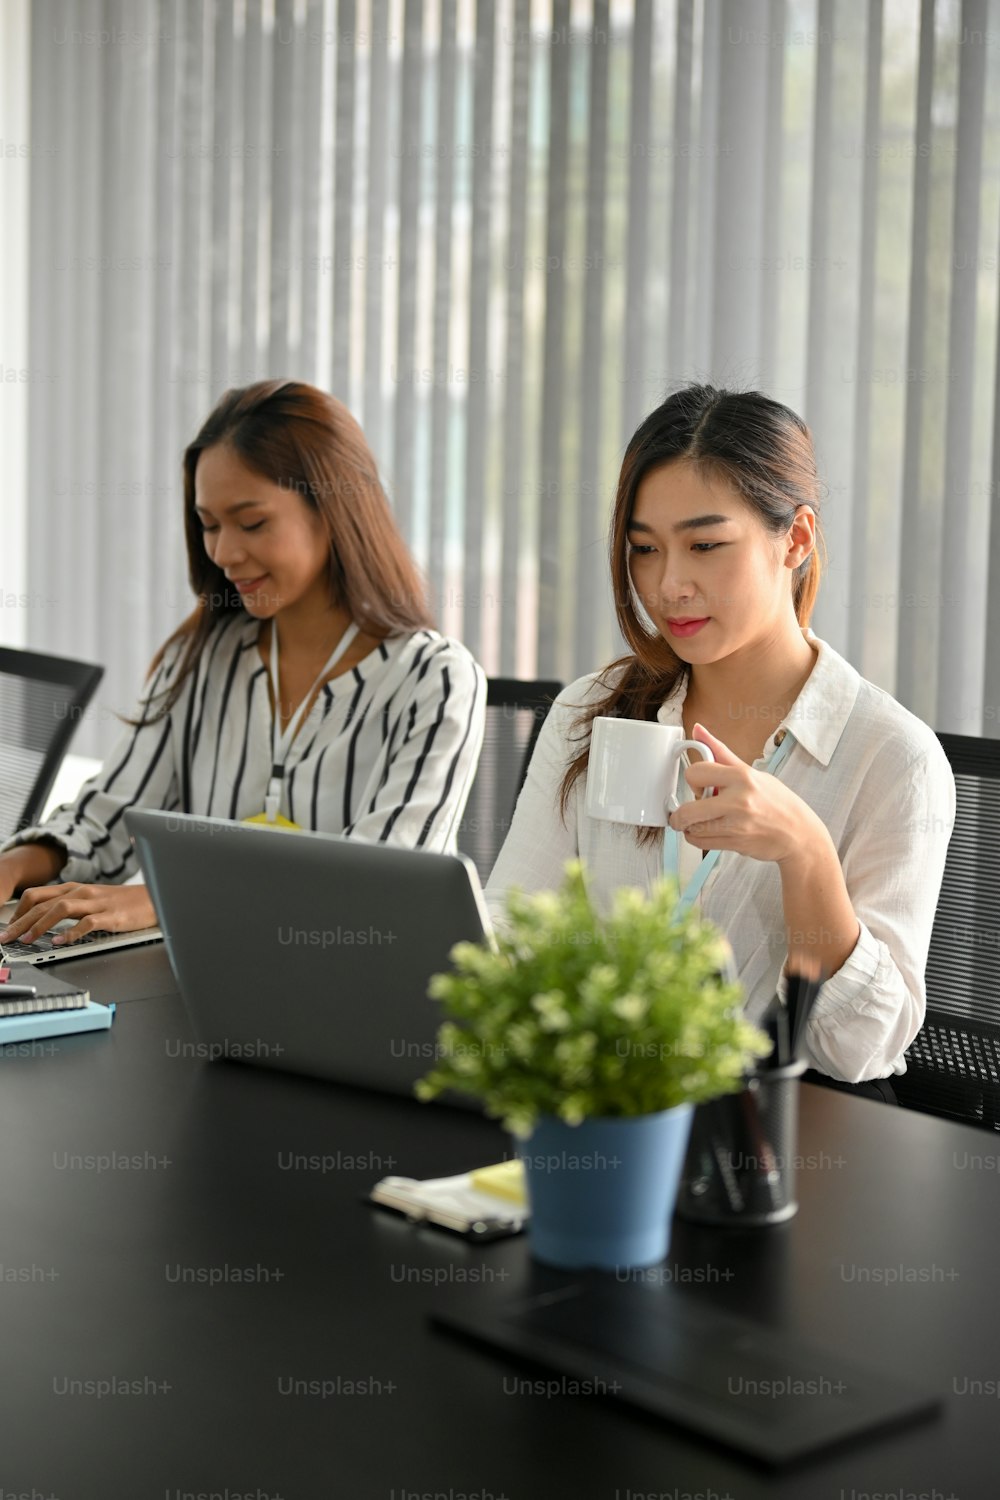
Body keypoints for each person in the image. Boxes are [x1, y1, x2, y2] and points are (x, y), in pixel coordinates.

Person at [485, 385, 956, 1088]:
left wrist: (804, 850)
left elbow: (861, 1050)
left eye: (705, 545)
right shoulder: (592, 711)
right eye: (644, 549)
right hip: (608, 1107)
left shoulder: (893, 758)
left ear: (794, 539)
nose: (668, 583)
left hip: (782, 1142)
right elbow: (508, 934)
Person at [0, 379, 486, 948]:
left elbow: (377, 887)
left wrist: (165, 900)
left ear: (332, 511)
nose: (224, 552)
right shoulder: (200, 660)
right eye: (209, 525)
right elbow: (101, 825)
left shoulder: (436, 679)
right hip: (210, 988)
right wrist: (13, 865)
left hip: (357, 1003)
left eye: (251, 523)